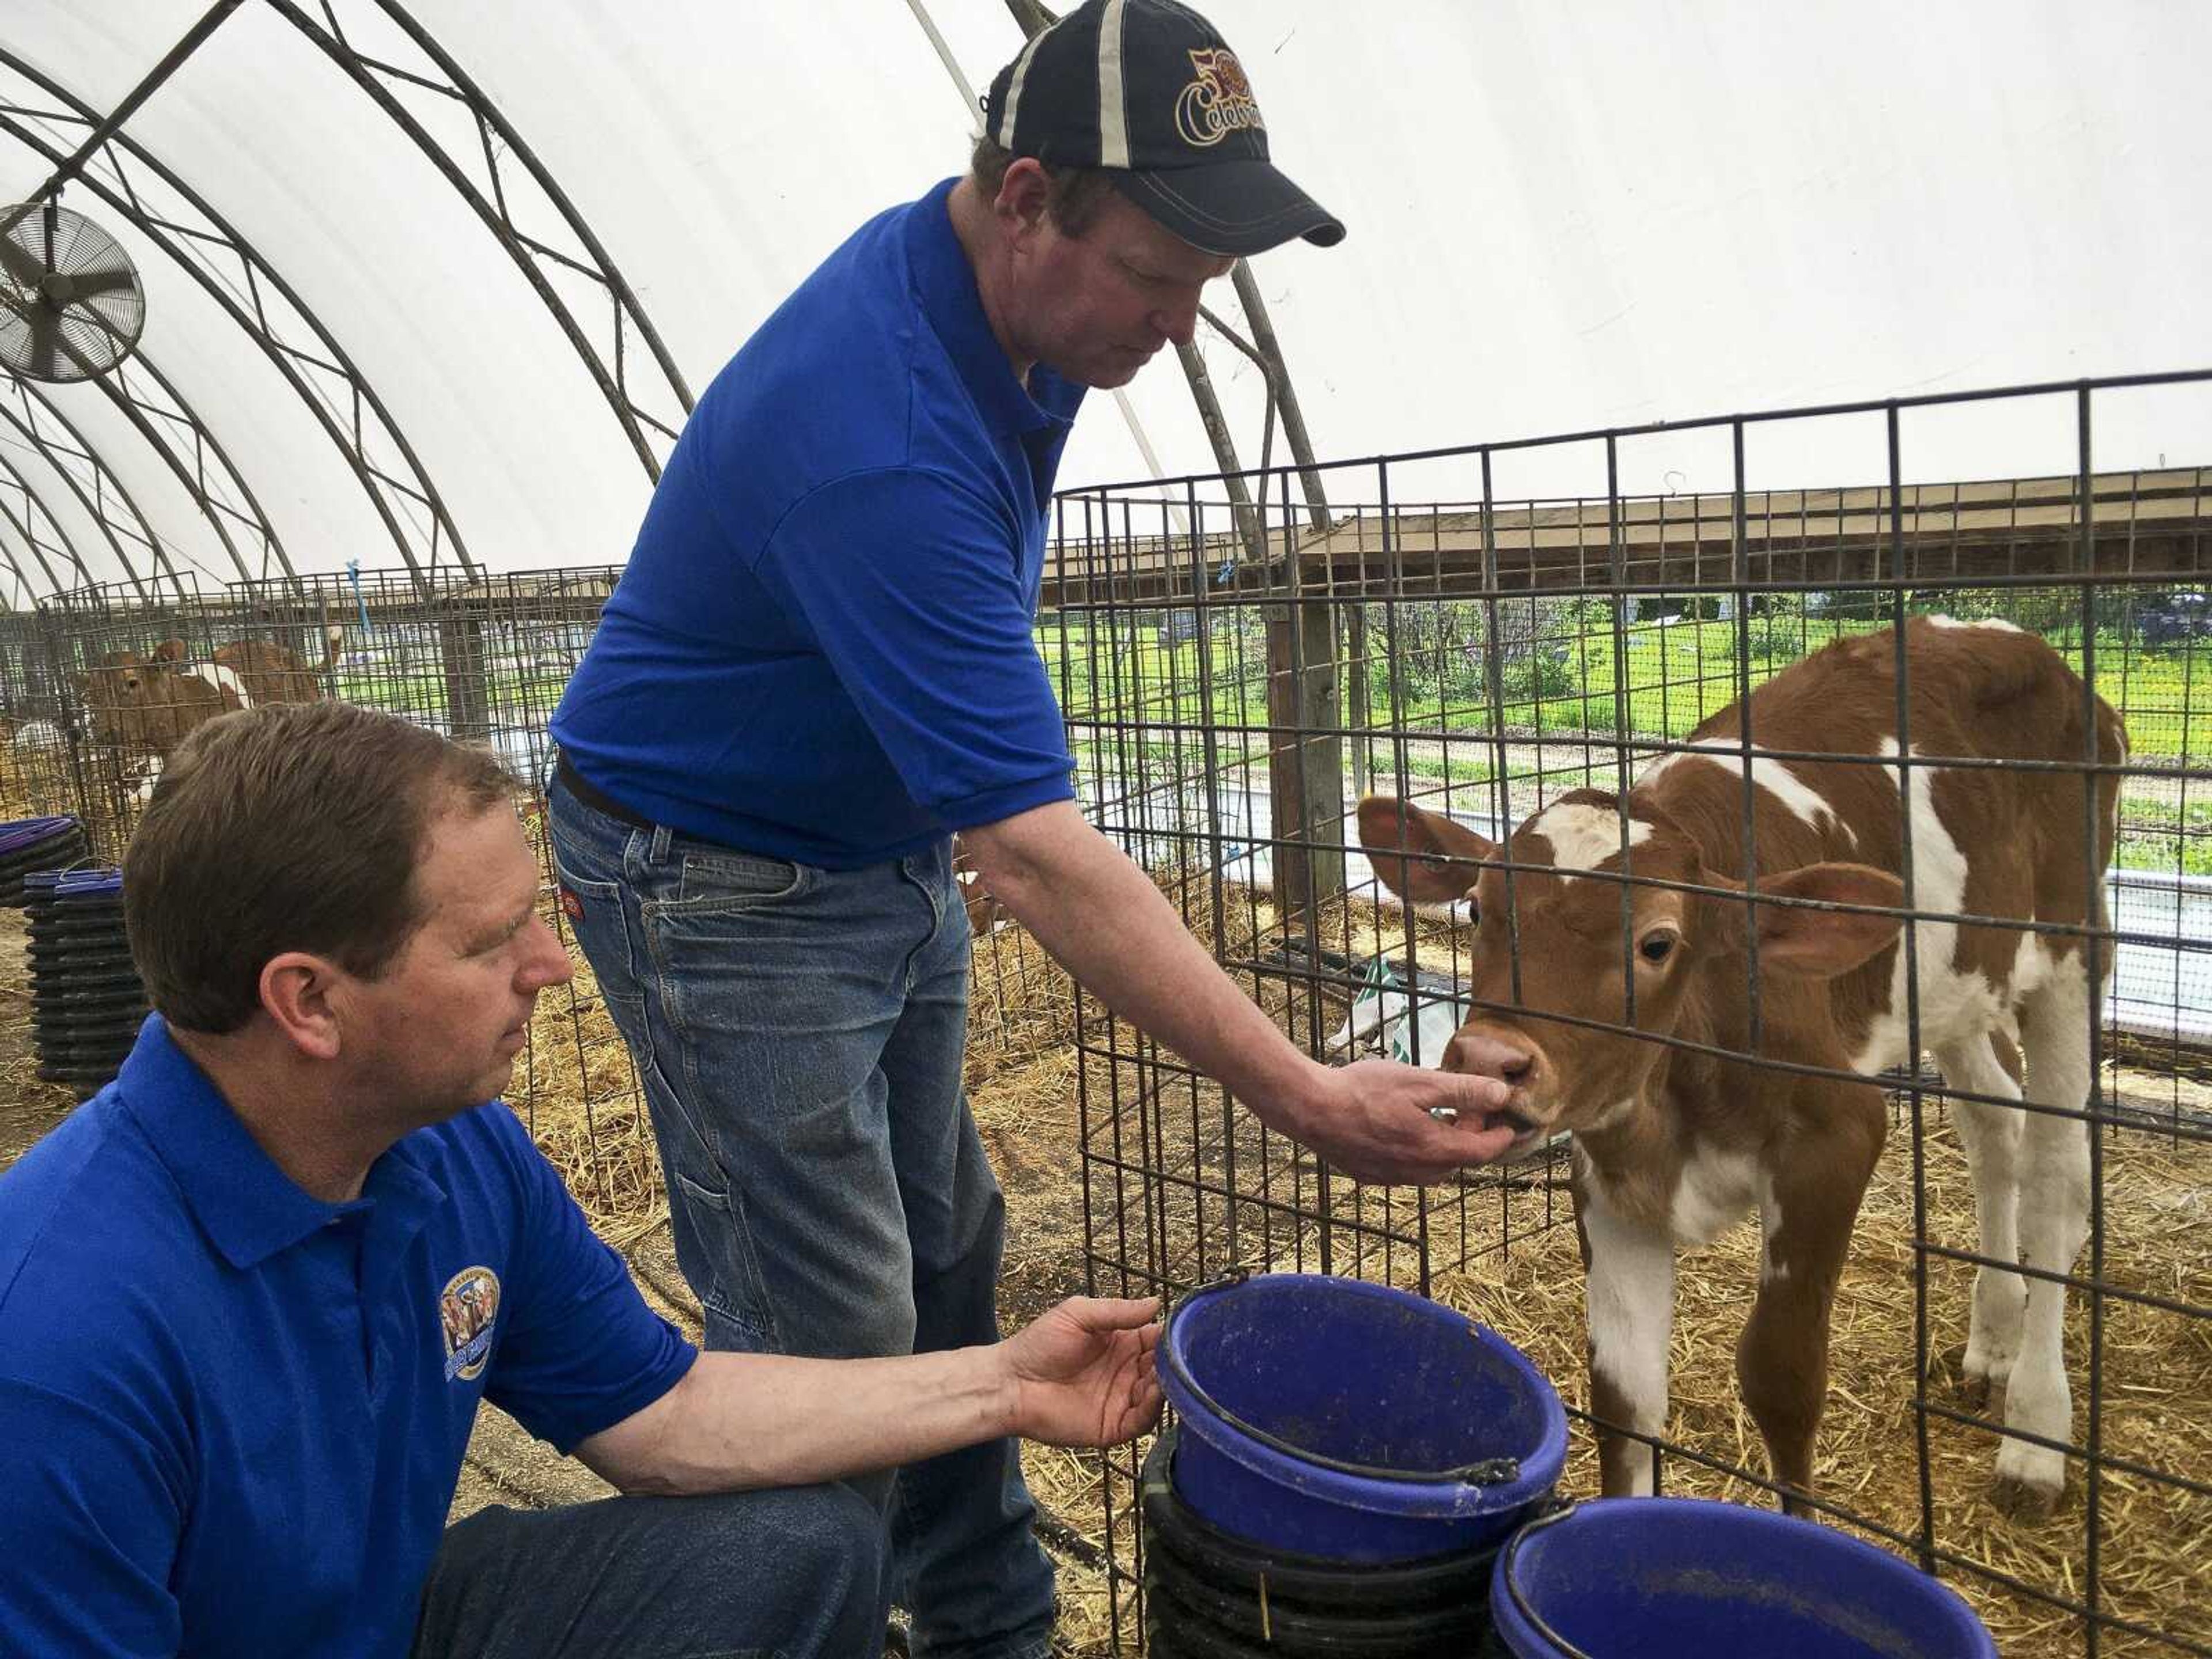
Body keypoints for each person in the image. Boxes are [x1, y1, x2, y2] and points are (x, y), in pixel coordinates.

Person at [547, 3, 1520, 1652]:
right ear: (1024, 195)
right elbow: (1039, 851)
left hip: (869, 846)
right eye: (1158, 275)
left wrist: (942, 833)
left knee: (947, 1258)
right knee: (827, 1334)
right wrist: (1302, 1090)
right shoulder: (880, 433)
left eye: (1207, 284)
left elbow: (989, 810)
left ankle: (994, 1628)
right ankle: (811, 1625)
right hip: (709, 878)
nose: (1184, 324)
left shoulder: (1017, 315)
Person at [0, 699, 1164, 1659]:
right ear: (308, 1002)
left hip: (381, 1626)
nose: (554, 966)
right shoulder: (60, 1347)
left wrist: (1009, 1384)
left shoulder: (450, 1146)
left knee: (805, 1546)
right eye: (488, 941)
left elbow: (668, 1415)